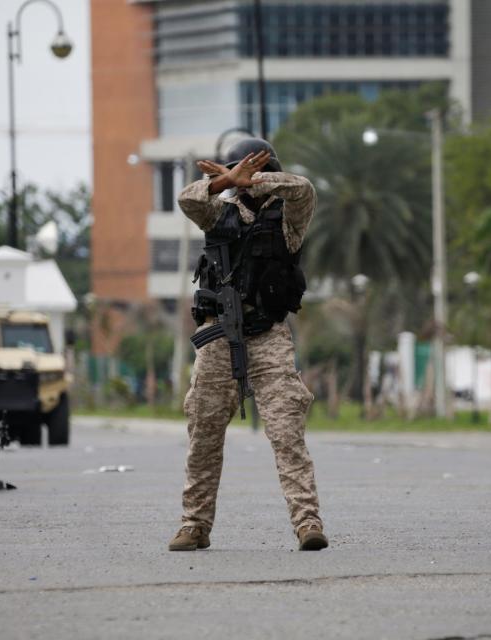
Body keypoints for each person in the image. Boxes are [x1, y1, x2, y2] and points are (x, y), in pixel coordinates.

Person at [169, 138, 328, 552]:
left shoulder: (288, 219)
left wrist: (256, 179)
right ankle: (194, 525)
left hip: (268, 336)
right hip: (219, 336)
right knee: (203, 431)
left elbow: (304, 188)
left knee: (286, 431)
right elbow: (187, 200)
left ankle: (307, 522)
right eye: (240, 172)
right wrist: (224, 182)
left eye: (253, 172)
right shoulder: (218, 213)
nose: (244, 181)